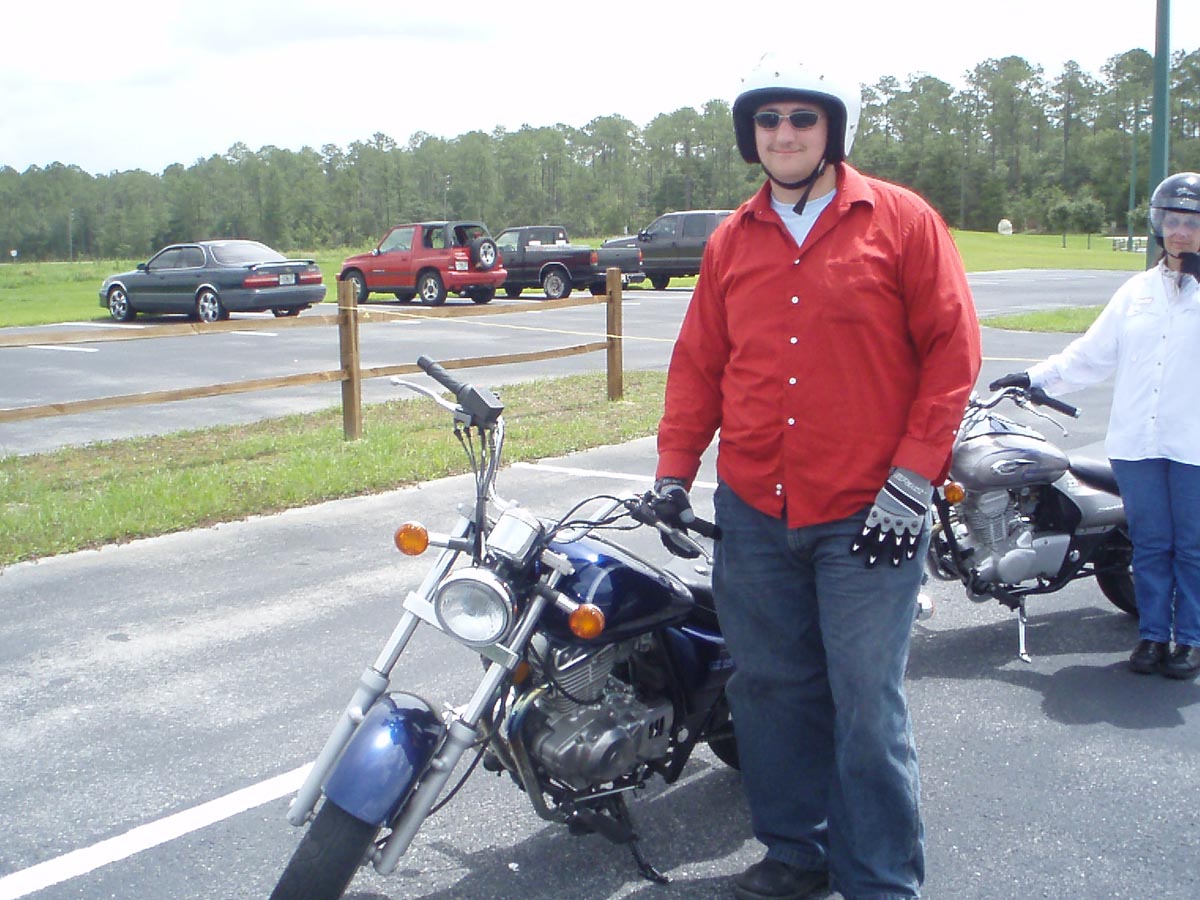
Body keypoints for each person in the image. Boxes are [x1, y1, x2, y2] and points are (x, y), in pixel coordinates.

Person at [651, 54, 981, 900]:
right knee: (769, 690)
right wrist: (674, 471)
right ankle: (797, 851)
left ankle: (879, 877)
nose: (784, 134)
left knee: (866, 703)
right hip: (756, 510)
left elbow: (952, 355)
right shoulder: (732, 240)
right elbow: (699, 364)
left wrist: (913, 478)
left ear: (833, 129)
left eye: (802, 118)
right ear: (750, 134)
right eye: (768, 120)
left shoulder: (901, 221)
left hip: (870, 513)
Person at [991, 171, 1200, 680]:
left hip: (1192, 445)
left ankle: (1190, 639)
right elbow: (1090, 355)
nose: (1181, 232)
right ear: (1158, 224)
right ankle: (1153, 634)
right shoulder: (1137, 292)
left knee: (1191, 546)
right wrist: (1036, 377)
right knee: (1150, 543)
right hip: (1137, 443)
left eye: (1193, 223)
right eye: (1173, 220)